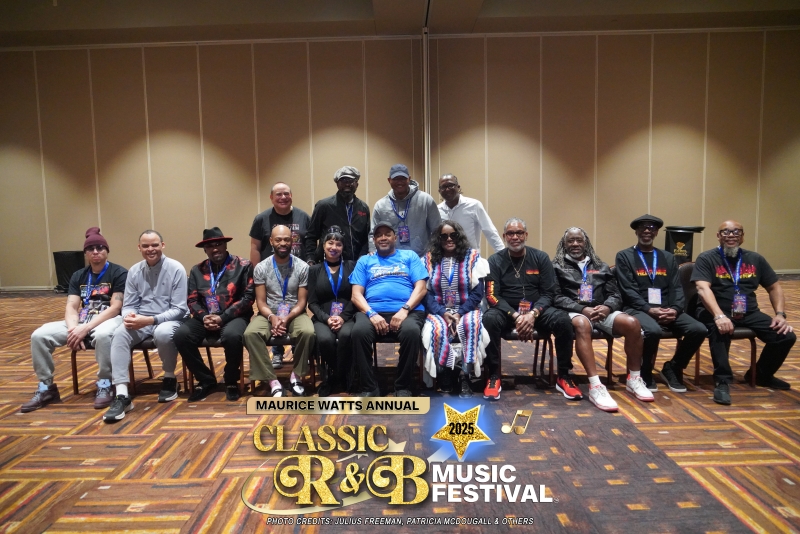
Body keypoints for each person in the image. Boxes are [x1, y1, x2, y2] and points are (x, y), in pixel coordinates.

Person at [22, 227, 127, 412]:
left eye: (100, 248)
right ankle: (46, 387)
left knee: (103, 335)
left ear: (107, 251)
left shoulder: (118, 273)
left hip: (108, 320)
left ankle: (105, 382)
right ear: (86, 253)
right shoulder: (78, 275)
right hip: (81, 321)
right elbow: (71, 307)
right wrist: (73, 330)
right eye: (91, 248)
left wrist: (85, 329)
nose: (95, 252)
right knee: (39, 335)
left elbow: (115, 307)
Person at [692, 220, 795, 405]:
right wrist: (719, 316)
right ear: (718, 236)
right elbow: (702, 288)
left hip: (748, 311)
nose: (731, 235)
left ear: (742, 236)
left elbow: (774, 287)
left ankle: (761, 374)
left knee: (785, 336)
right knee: (719, 329)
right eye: (726, 232)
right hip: (715, 310)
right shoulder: (707, 258)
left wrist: (780, 314)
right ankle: (722, 381)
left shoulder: (755, 259)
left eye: (736, 232)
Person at [553, 227, 652, 411]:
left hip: (601, 310)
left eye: (579, 240)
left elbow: (616, 295)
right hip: (575, 311)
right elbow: (556, 297)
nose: (575, 244)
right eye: (571, 241)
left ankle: (634, 378)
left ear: (586, 243)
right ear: (564, 244)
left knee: (632, 323)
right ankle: (595, 385)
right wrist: (582, 309)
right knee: (582, 324)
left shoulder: (601, 266)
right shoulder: (557, 267)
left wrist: (607, 307)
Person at [482, 218, 573, 400]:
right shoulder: (494, 260)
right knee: (489, 320)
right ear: (504, 236)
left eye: (519, 233)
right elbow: (492, 295)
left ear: (526, 235)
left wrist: (533, 314)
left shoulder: (540, 258)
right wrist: (516, 316)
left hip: (537, 311)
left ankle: (564, 376)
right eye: (510, 233)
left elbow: (549, 292)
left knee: (563, 320)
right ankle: (493, 375)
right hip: (507, 312)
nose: (515, 237)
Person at [615, 214, 707, 393]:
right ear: (636, 231)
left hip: (666, 308)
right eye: (642, 227)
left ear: (657, 232)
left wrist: (675, 309)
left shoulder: (667, 257)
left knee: (698, 329)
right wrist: (649, 310)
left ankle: (673, 367)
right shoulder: (625, 256)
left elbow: (676, 287)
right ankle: (644, 372)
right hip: (637, 308)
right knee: (653, 330)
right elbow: (628, 290)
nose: (647, 230)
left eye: (651, 228)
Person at [103, 230, 188, 423]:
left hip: (169, 319)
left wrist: (150, 320)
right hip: (141, 319)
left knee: (163, 333)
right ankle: (122, 395)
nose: (151, 249)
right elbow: (129, 305)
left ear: (162, 245)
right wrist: (129, 317)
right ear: (139, 248)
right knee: (120, 334)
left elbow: (179, 309)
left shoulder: (176, 268)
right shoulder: (134, 271)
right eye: (146, 246)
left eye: (155, 245)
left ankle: (169, 378)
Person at [173, 227, 255, 402]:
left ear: (225, 245)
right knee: (181, 335)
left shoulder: (243, 266)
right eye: (210, 246)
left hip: (234, 316)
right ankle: (206, 379)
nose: (215, 249)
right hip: (205, 317)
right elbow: (192, 300)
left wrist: (222, 318)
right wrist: (204, 317)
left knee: (232, 336)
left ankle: (231, 380)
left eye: (218, 244)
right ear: (205, 250)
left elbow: (248, 298)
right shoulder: (197, 270)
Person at [350, 218, 429, 397]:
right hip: (372, 311)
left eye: (387, 234)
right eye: (379, 235)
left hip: (407, 310)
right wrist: (371, 313)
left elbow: (421, 288)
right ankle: (369, 387)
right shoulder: (365, 261)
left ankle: (403, 386)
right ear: (374, 240)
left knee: (411, 332)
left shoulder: (410, 256)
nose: (383, 238)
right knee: (359, 332)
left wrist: (405, 309)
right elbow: (356, 295)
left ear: (395, 237)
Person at [243, 225, 315, 397]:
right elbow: (261, 302)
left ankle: (296, 376)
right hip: (268, 312)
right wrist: (272, 317)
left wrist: (287, 317)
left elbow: (302, 301)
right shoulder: (261, 267)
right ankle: (272, 380)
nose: (283, 243)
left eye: (286, 239)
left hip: (295, 312)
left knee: (308, 332)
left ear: (292, 241)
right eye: (278, 240)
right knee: (250, 334)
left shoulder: (302, 267)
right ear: (271, 241)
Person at [421, 220, 490, 398]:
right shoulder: (428, 260)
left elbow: (477, 293)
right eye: (444, 236)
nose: (449, 239)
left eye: (453, 235)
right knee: (436, 330)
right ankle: (444, 373)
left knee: (471, 325)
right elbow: (425, 293)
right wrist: (443, 312)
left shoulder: (473, 258)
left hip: (467, 309)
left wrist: (459, 313)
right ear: (438, 239)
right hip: (438, 310)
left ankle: (465, 375)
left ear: (460, 237)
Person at [249, 182, 311, 370]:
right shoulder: (261, 218)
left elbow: (310, 244)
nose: (283, 197)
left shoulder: (303, 217)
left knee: (298, 318)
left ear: (291, 195)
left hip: (296, 272)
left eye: (286, 194)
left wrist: (310, 265)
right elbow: (255, 247)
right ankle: (277, 353)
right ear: (271, 197)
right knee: (274, 308)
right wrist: (257, 271)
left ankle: (298, 354)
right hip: (272, 272)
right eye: (278, 194)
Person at [307, 226, 357, 396]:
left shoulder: (352, 266)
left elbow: (356, 296)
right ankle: (339, 376)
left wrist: (342, 317)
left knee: (346, 335)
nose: (334, 247)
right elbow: (312, 302)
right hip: (322, 317)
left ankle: (335, 378)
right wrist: (327, 318)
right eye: (330, 243)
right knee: (325, 339)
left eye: (338, 244)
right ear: (323, 245)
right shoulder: (314, 270)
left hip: (348, 315)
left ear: (343, 248)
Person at [370, 163, 441, 256]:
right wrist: (373, 252)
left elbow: (437, 230)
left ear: (409, 179)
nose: (400, 182)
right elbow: (373, 233)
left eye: (403, 178)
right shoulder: (380, 205)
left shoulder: (425, 200)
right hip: (391, 258)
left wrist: (434, 253)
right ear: (389, 180)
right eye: (396, 179)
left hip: (421, 257)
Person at [304, 166, 370, 264]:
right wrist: (311, 259)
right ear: (337, 184)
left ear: (357, 184)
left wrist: (363, 257)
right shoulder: (324, 206)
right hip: (328, 265)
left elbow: (366, 238)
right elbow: (311, 236)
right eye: (343, 181)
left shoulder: (363, 208)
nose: (347, 184)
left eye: (351, 181)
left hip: (357, 264)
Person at [436, 174, 504, 253]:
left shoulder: (474, 205)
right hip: (446, 258)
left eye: (451, 185)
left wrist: (503, 254)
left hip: (471, 257)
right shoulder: (438, 210)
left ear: (458, 187)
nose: (447, 189)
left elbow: (490, 231)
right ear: (439, 191)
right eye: (443, 187)